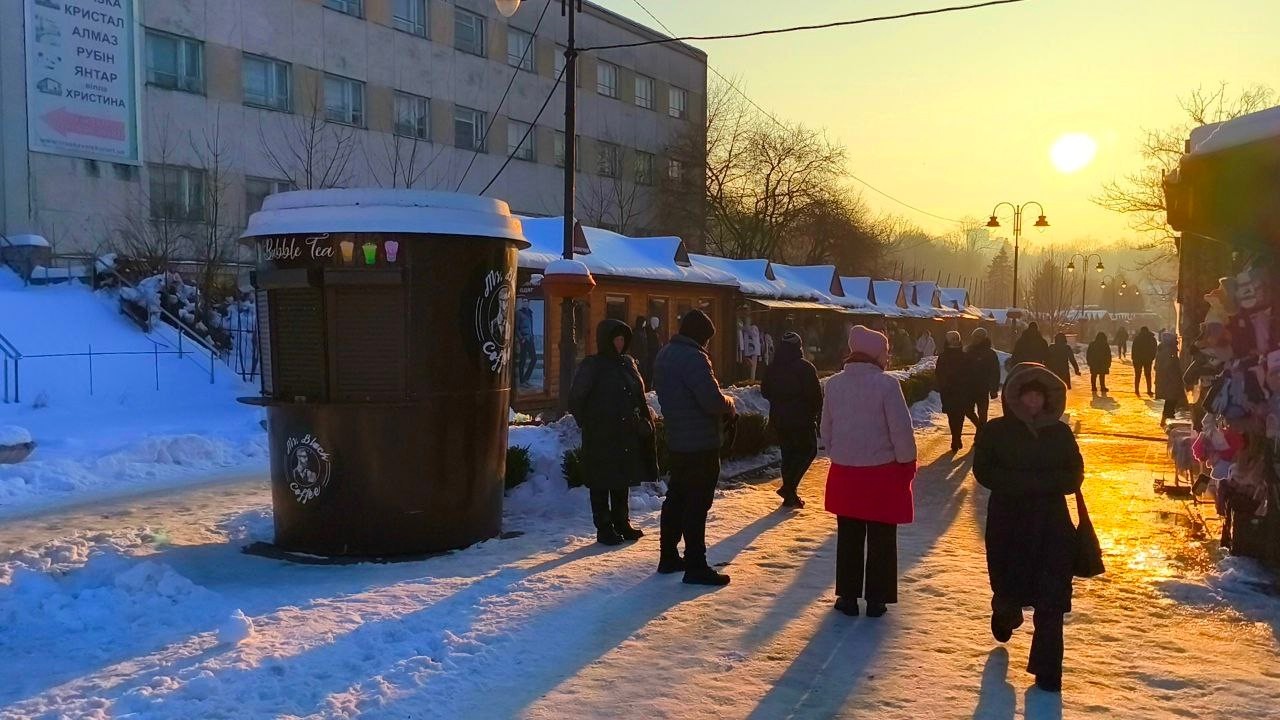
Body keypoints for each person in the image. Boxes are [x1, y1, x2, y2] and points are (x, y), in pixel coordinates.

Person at [973, 364, 1084, 693]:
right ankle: (1006, 611)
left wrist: (1031, 484)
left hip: (1052, 526)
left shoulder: (1060, 433)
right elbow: (984, 472)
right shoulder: (995, 431)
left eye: (1039, 396)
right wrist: (1034, 484)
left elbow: (1074, 474)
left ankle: (1048, 672)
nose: (1033, 402)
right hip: (1009, 524)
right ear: (1014, 398)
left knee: (1052, 600)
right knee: (1009, 585)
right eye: (1027, 396)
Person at [821, 325, 917, 618]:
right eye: (885, 352)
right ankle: (877, 599)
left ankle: (847, 596)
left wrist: (839, 451)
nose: (887, 358)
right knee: (882, 538)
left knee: (848, 537)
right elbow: (901, 431)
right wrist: (907, 462)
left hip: (845, 473)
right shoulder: (887, 386)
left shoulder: (834, 385)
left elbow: (826, 429)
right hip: (881, 474)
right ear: (875, 354)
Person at [653, 309, 737, 586]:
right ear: (700, 335)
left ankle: (668, 556)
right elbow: (711, 400)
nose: (708, 345)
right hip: (700, 442)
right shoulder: (694, 358)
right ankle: (696, 565)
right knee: (697, 504)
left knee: (676, 497)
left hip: (678, 439)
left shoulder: (666, 354)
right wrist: (730, 404)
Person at [569, 320, 657, 546]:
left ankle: (621, 521)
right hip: (601, 433)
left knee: (621, 478)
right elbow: (576, 398)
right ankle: (604, 527)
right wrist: (589, 423)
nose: (619, 343)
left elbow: (637, 394)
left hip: (625, 432)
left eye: (622, 339)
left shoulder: (627, 364)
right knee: (600, 482)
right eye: (615, 339)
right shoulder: (593, 365)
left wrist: (644, 419)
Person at [761, 332, 822, 509]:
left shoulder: (773, 367)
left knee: (787, 454)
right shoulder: (805, 368)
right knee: (808, 451)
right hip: (802, 419)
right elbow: (816, 397)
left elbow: (765, 391)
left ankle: (790, 495)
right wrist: (814, 413)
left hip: (779, 419)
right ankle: (789, 487)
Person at [935, 330, 976, 451]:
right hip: (961, 391)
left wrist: (942, 385)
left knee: (952, 416)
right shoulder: (964, 356)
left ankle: (955, 438)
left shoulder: (943, 356)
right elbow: (970, 374)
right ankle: (956, 438)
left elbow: (939, 373)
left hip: (949, 391)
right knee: (959, 416)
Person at [966, 327, 1002, 425]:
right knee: (968, 410)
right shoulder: (968, 351)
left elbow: (995, 372)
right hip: (970, 388)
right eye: (974, 337)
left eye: (977, 337)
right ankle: (981, 429)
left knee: (982, 413)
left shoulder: (990, 354)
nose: (975, 339)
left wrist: (994, 389)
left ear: (983, 338)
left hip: (983, 388)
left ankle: (980, 435)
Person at [1155, 332, 1185, 427]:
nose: (1176, 342)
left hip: (1168, 380)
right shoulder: (1168, 351)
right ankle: (1167, 419)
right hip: (1170, 380)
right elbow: (1168, 366)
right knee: (1171, 399)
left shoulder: (1165, 350)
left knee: (1171, 400)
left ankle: (1166, 418)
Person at [1131, 326, 1158, 396]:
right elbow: (1155, 349)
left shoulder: (1137, 338)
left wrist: (1133, 358)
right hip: (1147, 359)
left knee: (1138, 375)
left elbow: (1133, 349)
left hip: (1138, 359)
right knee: (1148, 375)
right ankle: (1149, 390)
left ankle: (1137, 390)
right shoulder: (1151, 338)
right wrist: (1152, 357)